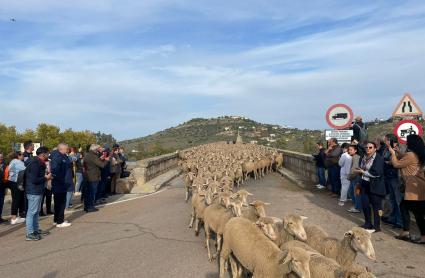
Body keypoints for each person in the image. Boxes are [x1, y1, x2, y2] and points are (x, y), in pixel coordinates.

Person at [390, 135, 425, 244]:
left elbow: (396, 164)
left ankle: (422, 236)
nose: (405, 143)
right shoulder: (417, 153)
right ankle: (406, 231)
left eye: (407, 142)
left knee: (418, 213)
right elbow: (405, 158)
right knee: (405, 207)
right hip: (419, 185)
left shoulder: (411, 155)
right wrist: (398, 152)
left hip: (413, 187)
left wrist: (392, 153)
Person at [354, 142, 386, 232]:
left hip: (375, 185)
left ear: (375, 149)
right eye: (366, 147)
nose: (368, 148)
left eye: (370, 147)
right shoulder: (363, 157)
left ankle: (377, 227)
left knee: (376, 207)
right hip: (364, 183)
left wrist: (363, 172)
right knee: (365, 204)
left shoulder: (378, 158)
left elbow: (377, 173)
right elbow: (362, 168)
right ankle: (367, 223)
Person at [25, 146, 52, 241]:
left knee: (36, 211)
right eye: (48, 153)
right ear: (43, 154)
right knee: (31, 212)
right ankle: (29, 233)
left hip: (37, 190)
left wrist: (45, 176)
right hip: (33, 190)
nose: (49, 155)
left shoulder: (38, 162)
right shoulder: (35, 163)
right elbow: (34, 179)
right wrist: (46, 178)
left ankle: (35, 229)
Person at [381, 134, 403, 229]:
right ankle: (393, 219)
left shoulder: (398, 149)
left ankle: (400, 221)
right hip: (388, 176)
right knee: (392, 199)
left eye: (386, 140)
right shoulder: (386, 149)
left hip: (396, 177)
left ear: (390, 140)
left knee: (398, 201)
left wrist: (387, 161)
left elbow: (397, 161)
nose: (385, 142)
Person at [50, 143, 73, 228]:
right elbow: (55, 171)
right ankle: (60, 221)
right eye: (66, 149)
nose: (67, 150)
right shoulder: (58, 157)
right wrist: (62, 181)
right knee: (60, 203)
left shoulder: (63, 156)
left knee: (58, 203)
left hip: (63, 183)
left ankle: (57, 220)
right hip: (60, 183)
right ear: (61, 149)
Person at [84, 144, 109, 213]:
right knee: (92, 192)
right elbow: (102, 165)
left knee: (88, 192)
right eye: (98, 149)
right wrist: (106, 160)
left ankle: (86, 206)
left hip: (88, 175)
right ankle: (90, 207)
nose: (98, 151)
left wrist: (100, 159)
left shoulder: (87, 155)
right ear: (95, 149)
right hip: (93, 176)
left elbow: (92, 163)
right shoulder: (93, 156)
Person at [8, 151, 27, 224]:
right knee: (16, 200)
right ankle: (14, 218)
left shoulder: (13, 161)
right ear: (18, 156)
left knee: (18, 199)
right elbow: (26, 169)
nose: (24, 156)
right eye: (23, 155)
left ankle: (16, 217)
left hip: (13, 182)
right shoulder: (17, 162)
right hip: (16, 182)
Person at [347, 145, 362, 213]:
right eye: (349, 150)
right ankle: (357, 205)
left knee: (356, 193)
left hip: (356, 177)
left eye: (351, 150)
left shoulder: (356, 157)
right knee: (351, 192)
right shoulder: (354, 157)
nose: (349, 151)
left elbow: (354, 168)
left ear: (355, 150)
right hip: (354, 177)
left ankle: (358, 207)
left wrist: (350, 176)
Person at [0, 153, 7, 223]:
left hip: (2, 187)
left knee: (1, 203)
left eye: (2, 157)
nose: (1, 158)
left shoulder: (5, 165)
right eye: (0, 157)